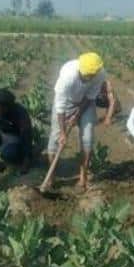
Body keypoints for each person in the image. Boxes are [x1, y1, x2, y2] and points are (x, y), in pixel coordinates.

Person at [46, 52, 111, 189]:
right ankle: (51, 178)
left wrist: (77, 115)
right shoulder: (68, 77)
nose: (91, 78)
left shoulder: (100, 74)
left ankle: (83, 177)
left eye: (93, 75)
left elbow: (90, 96)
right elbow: (60, 107)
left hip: (85, 103)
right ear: (81, 71)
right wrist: (64, 133)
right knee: (55, 139)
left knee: (87, 137)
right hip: (66, 103)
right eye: (88, 76)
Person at [0, 89, 34, 174]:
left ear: (10, 105)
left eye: (2, 108)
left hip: (15, 137)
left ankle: (13, 161)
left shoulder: (20, 113)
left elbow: (26, 137)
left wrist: (27, 160)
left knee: (8, 154)